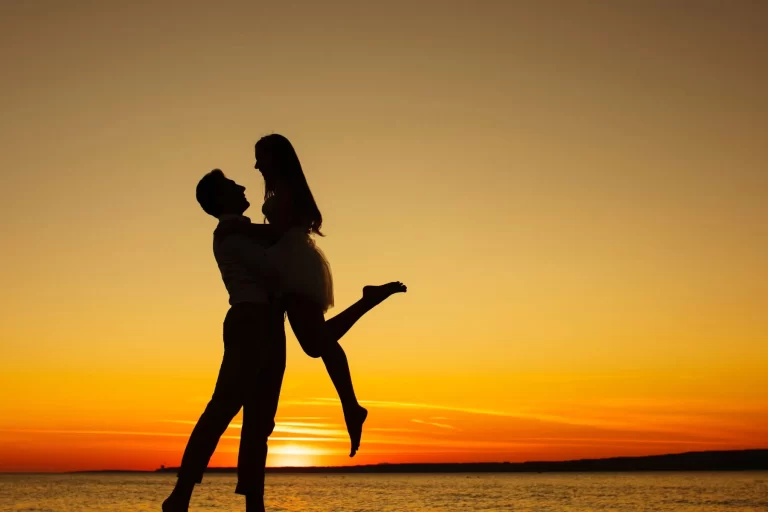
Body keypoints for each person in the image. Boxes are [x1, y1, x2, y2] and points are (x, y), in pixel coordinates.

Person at [163, 170, 405, 512]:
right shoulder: (231, 235)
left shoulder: (246, 232)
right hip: (249, 322)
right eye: (233, 186)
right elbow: (273, 270)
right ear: (220, 199)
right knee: (221, 410)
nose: (243, 186)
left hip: (270, 327)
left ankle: (253, 504)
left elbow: (277, 249)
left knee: (261, 421)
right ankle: (181, 496)